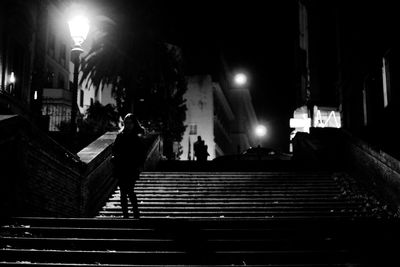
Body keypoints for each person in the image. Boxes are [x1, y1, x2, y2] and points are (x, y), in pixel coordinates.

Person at [111, 113, 146, 219]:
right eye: (126, 122)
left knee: (129, 190)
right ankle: (126, 214)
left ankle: (135, 212)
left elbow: (141, 152)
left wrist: (140, 165)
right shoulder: (120, 135)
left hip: (131, 167)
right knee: (123, 191)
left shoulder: (137, 136)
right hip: (121, 167)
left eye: (130, 122)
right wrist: (114, 157)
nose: (128, 125)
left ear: (134, 123)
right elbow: (115, 149)